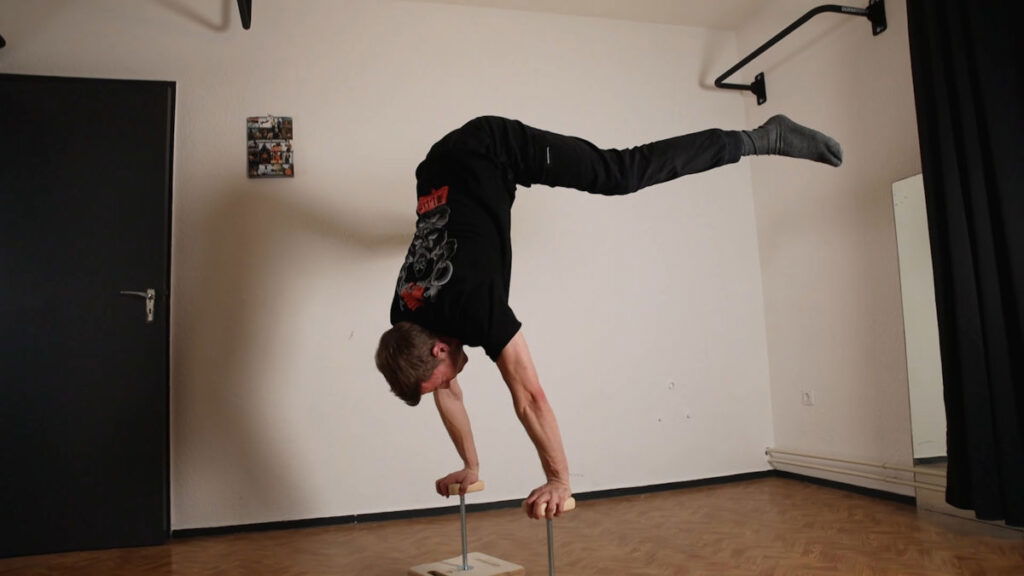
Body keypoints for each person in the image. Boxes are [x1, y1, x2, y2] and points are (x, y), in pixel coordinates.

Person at [375, 115, 842, 519]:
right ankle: (758, 137)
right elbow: (448, 390)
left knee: (618, 172)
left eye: (438, 380)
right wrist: (471, 467)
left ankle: (761, 137)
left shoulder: (476, 309)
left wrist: (558, 480)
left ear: (439, 348)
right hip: (437, 168)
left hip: (493, 146)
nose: (448, 385)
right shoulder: (405, 315)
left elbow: (530, 398)